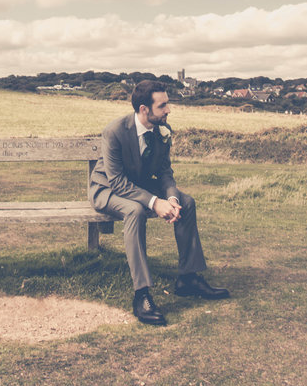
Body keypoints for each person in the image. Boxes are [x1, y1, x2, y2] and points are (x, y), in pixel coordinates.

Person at [89, 79, 229, 325]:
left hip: (140, 185)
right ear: (144, 109)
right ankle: (141, 294)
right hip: (108, 188)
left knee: (186, 202)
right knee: (135, 211)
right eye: (163, 105)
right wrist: (155, 203)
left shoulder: (164, 131)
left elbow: (164, 172)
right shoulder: (115, 131)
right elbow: (119, 182)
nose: (168, 110)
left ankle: (188, 278)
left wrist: (172, 198)